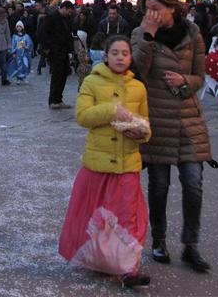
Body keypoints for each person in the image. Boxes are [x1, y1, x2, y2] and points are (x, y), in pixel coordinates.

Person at [130, 0, 213, 274]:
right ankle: (159, 240)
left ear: (172, 8)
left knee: (193, 183)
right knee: (159, 186)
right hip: (157, 119)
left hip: (188, 120)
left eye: (156, 9)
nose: (151, 14)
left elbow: (200, 76)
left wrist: (184, 81)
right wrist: (148, 37)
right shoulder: (140, 33)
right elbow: (136, 73)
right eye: (147, 9)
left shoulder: (193, 34)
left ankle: (191, 245)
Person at [59, 36, 152, 289]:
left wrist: (142, 132)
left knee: (127, 216)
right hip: (98, 163)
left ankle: (128, 268)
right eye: (115, 53)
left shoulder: (138, 87)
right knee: (97, 216)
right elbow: (82, 116)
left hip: (128, 162)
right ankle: (99, 258)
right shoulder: (91, 82)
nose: (120, 57)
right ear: (106, 56)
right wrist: (111, 110)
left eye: (125, 53)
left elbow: (146, 122)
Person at [44, 0, 76, 109]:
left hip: (64, 51)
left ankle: (58, 99)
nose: (69, 13)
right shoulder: (51, 18)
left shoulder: (66, 19)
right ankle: (53, 100)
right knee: (57, 76)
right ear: (64, 8)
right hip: (55, 52)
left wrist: (70, 50)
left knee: (63, 75)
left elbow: (68, 35)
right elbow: (42, 33)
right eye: (69, 11)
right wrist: (47, 49)